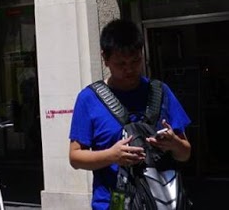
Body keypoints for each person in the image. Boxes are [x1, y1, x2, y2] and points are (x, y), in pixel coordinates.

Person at [68, 19, 192, 210]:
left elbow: (185, 153)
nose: (129, 69)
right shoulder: (89, 99)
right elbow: (75, 157)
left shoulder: (160, 92)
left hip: (162, 202)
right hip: (112, 203)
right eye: (121, 63)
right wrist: (111, 156)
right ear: (105, 59)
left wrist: (174, 143)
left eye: (135, 61)